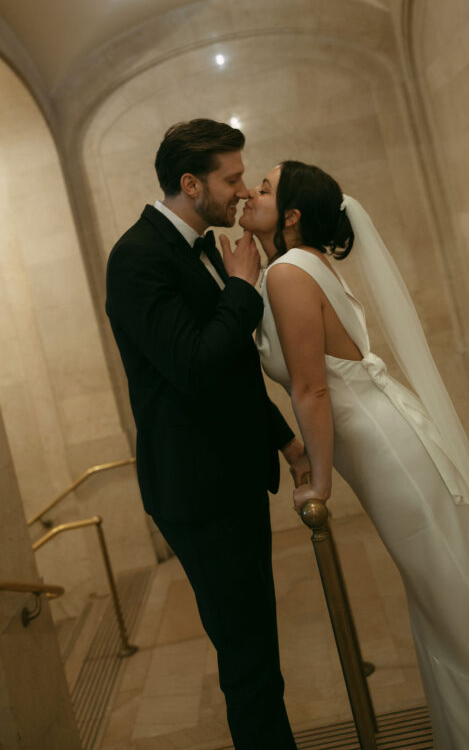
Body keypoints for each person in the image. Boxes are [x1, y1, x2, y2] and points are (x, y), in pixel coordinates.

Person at [240, 159, 469, 750]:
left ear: (289, 214)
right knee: (445, 610)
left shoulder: (290, 272)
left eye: (262, 188)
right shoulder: (297, 265)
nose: (249, 194)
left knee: (457, 616)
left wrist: (318, 484)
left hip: (395, 460)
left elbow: (312, 388)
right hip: (393, 443)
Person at [105, 120, 307, 750]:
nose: (242, 191)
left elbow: (232, 374)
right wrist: (243, 288)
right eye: (231, 178)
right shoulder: (137, 257)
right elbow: (193, 367)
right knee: (249, 667)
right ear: (191, 185)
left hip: (231, 474)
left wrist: (284, 438)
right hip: (199, 490)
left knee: (258, 653)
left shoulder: (199, 247)